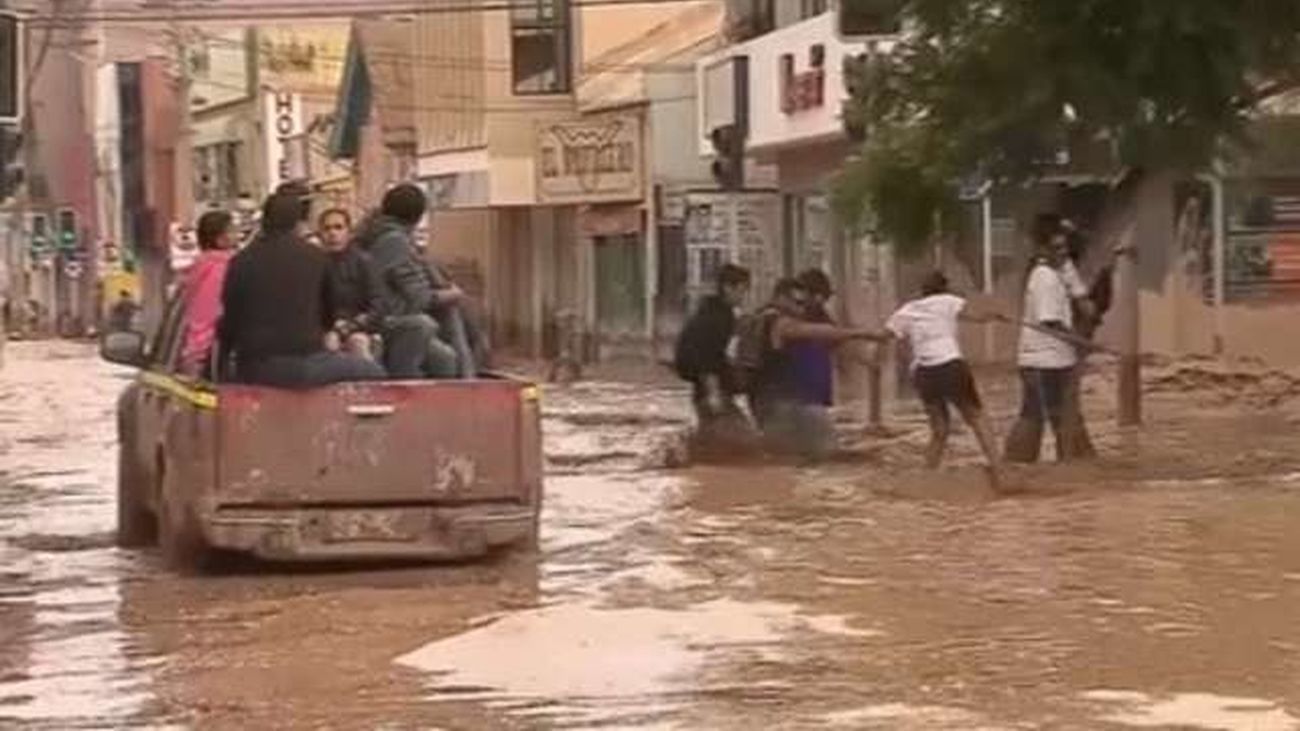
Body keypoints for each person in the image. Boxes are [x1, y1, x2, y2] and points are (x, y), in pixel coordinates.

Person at [218, 192, 384, 388]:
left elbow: (229, 320)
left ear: (264, 220)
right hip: (308, 363)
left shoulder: (241, 262)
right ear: (299, 222)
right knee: (374, 372)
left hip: (256, 367)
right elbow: (328, 315)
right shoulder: (316, 258)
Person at [884, 271, 1001, 483]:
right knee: (977, 418)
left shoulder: (908, 309)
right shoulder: (949, 301)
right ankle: (1000, 470)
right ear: (944, 288)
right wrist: (995, 314)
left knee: (940, 429)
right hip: (950, 366)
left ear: (922, 291)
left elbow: (885, 335)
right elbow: (979, 316)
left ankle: (927, 477)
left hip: (924, 373)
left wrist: (874, 362)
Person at [748, 277, 878, 461]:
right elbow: (820, 332)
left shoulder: (758, 318)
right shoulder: (779, 322)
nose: (802, 308)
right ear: (781, 298)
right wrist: (862, 333)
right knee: (832, 458)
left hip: (767, 405)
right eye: (798, 303)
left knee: (791, 462)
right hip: (790, 406)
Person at [360, 184, 468, 379]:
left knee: (445, 349)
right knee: (447, 355)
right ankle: (466, 383)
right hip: (391, 318)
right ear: (417, 216)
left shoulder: (376, 234)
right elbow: (420, 298)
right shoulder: (395, 242)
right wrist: (453, 294)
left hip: (385, 314)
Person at [1003, 230, 1082, 463]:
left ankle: (1058, 464)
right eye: (1057, 248)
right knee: (1036, 415)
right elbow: (1050, 320)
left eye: (1065, 247)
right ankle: (1018, 464)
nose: (1064, 252)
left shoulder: (1054, 275)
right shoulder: (1045, 277)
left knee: (1050, 415)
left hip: (1054, 359)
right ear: (1044, 250)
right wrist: (1078, 340)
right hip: (1044, 361)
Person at [674, 263, 751, 430]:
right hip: (709, 391)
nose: (743, 296)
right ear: (727, 288)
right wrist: (713, 394)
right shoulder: (718, 318)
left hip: (705, 389)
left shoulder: (713, 310)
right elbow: (708, 358)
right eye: (741, 290)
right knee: (740, 439)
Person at [318, 207, 383, 361]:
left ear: (349, 233)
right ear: (320, 234)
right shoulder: (314, 264)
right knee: (328, 343)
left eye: (338, 227)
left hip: (361, 328)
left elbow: (378, 305)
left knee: (357, 343)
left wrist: (349, 327)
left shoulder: (364, 263)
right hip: (326, 329)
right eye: (327, 228)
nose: (332, 233)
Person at [179, 210, 236, 376]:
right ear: (220, 239)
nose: (237, 234)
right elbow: (215, 313)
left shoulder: (198, 268)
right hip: (217, 355)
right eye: (232, 230)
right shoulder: (224, 268)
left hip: (198, 353)